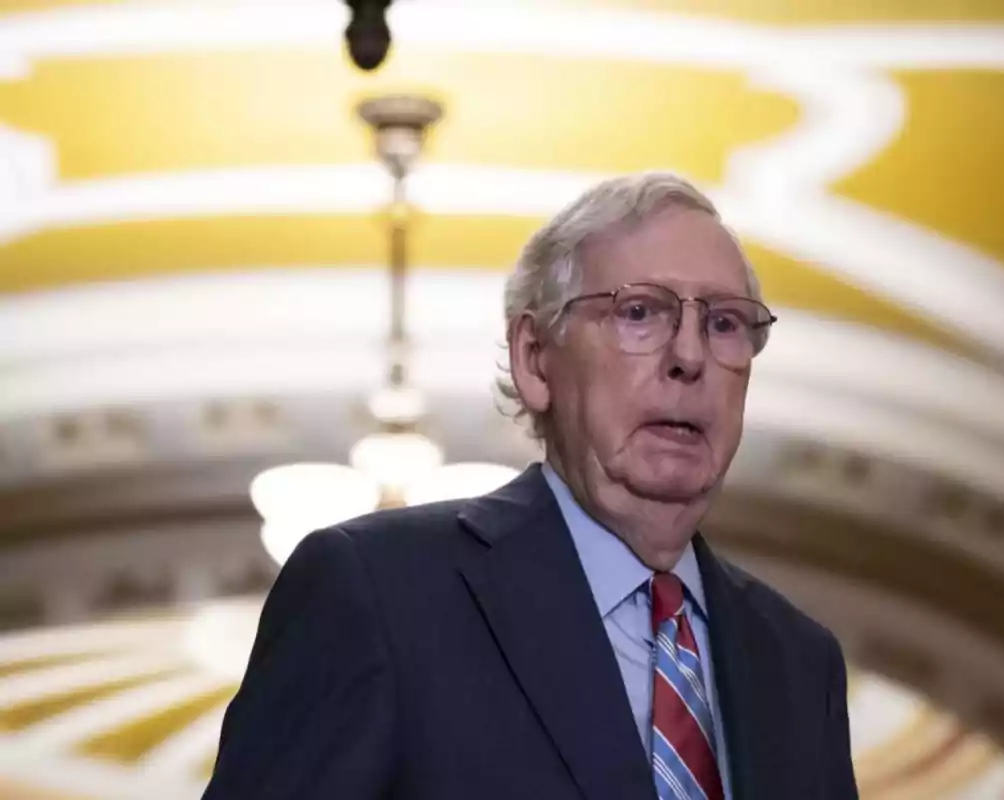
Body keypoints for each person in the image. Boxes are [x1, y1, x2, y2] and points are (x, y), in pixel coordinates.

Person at [202, 172, 858, 799]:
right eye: (639, 312)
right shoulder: (376, 594)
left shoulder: (799, 663)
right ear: (535, 359)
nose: (688, 356)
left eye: (723, 323)